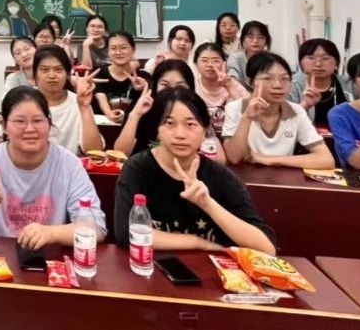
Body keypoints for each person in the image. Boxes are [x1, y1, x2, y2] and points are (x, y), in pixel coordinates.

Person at [114, 88, 276, 253]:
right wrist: (198, 242)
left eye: (191, 124)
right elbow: (126, 233)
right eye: (169, 123)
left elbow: (267, 248)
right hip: (151, 264)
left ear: (205, 131)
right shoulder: (138, 168)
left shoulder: (220, 176)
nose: (180, 134)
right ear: (157, 130)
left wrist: (207, 203)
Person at [0, 87, 107, 246]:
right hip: (2, 256)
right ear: (4, 126)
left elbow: (96, 229)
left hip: (52, 255)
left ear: (49, 123)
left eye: (38, 121)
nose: (30, 129)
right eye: (20, 121)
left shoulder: (68, 164)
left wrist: (51, 233)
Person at [222, 53, 335, 169]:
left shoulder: (296, 111)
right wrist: (247, 117)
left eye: (284, 79)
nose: (278, 85)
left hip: (283, 178)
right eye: (268, 78)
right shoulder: (235, 108)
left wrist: (268, 159)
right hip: (245, 178)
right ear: (250, 82)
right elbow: (234, 158)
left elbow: (326, 160)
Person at [115, 60, 226, 164]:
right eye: (165, 85)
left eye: (180, 86)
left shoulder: (196, 111)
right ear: (155, 86)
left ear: (190, 88)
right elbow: (121, 153)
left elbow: (220, 160)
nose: (173, 91)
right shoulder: (141, 108)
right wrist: (135, 115)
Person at [31, 46, 102, 155]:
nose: (52, 76)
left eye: (58, 69)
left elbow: (94, 151)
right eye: (44, 70)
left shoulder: (78, 102)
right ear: (35, 74)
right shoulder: (23, 102)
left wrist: (84, 107)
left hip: (70, 165)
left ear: (68, 74)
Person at [289, 39, 353, 126]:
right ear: (301, 63)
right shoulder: (290, 85)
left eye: (325, 58)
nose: (318, 64)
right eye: (311, 58)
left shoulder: (350, 83)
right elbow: (284, 122)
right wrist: (305, 105)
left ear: (336, 63)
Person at [93, 31, 148, 124]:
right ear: (108, 51)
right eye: (113, 48)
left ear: (133, 49)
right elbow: (100, 96)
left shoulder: (143, 77)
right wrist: (109, 114)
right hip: (105, 126)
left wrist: (142, 88)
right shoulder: (99, 74)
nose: (118, 52)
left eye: (123, 48)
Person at [193, 43, 247, 133]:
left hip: (233, 136)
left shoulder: (232, 84)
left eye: (216, 60)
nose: (210, 64)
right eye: (204, 60)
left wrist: (229, 86)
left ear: (224, 64)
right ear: (196, 64)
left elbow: (247, 112)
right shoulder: (191, 86)